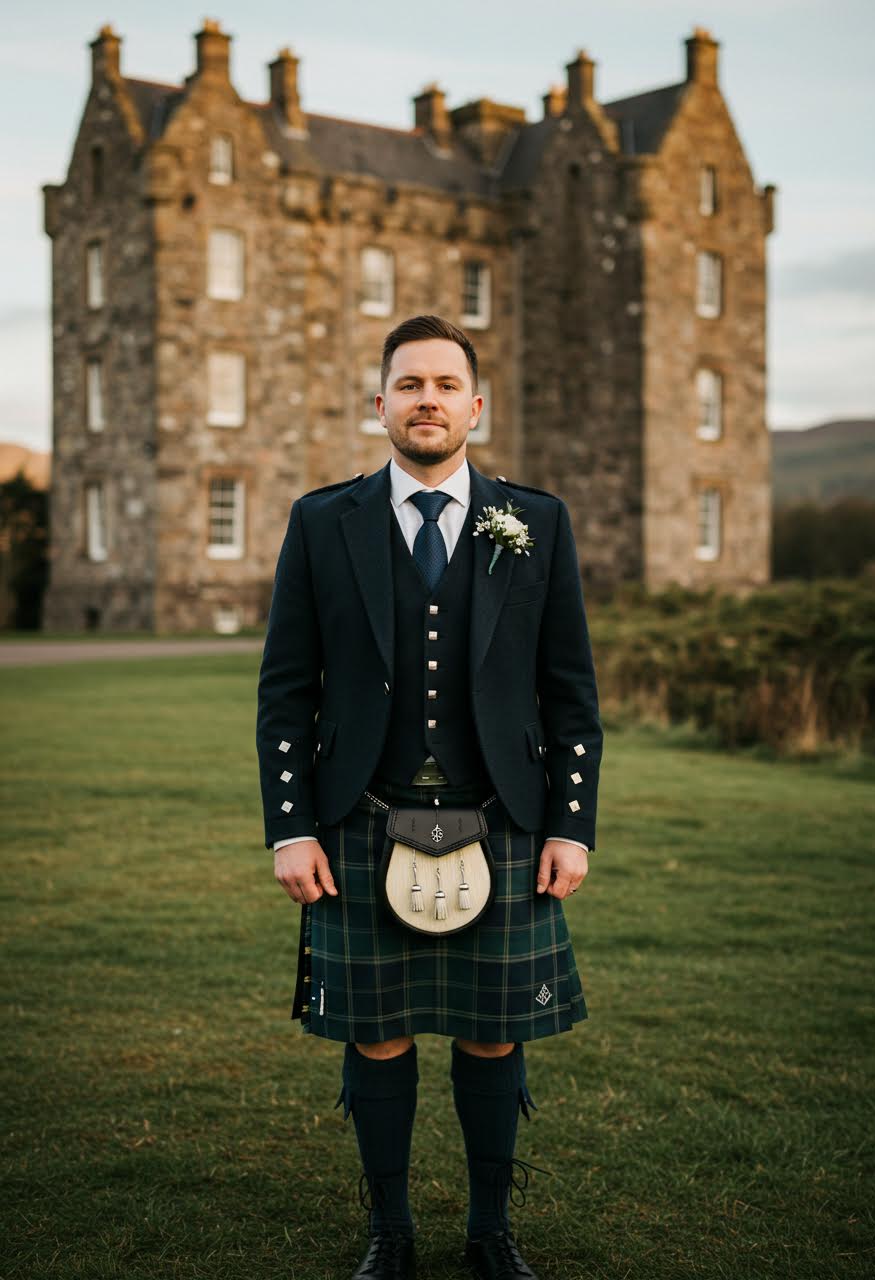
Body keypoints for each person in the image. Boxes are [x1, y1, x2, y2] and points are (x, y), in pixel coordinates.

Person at [256, 314, 602, 1280]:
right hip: (361, 817)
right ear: (380, 405)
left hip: (502, 822)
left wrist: (569, 827)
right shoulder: (324, 522)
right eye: (409, 385)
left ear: (475, 406)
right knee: (377, 1033)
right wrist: (292, 828)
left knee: (494, 1033)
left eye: (446, 385)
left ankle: (491, 1230)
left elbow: (571, 692)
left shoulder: (537, 520)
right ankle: (390, 1232)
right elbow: (286, 690)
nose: (428, 401)